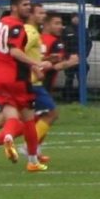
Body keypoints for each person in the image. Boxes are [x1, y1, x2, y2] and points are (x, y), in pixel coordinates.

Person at [0, 0, 52, 172]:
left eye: (29, 5)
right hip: (16, 77)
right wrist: (37, 64)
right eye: (24, 5)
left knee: (11, 116)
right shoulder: (18, 27)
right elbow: (14, 52)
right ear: (14, 7)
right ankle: (32, 161)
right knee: (28, 119)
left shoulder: (2, 22)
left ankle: (8, 137)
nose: (28, 7)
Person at [36, 11, 78, 147]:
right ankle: (29, 146)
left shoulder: (37, 38)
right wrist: (70, 62)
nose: (60, 26)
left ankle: (34, 150)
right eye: (56, 23)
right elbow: (54, 66)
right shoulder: (55, 42)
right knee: (49, 115)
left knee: (42, 118)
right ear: (46, 24)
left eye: (61, 23)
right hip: (41, 85)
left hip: (34, 82)